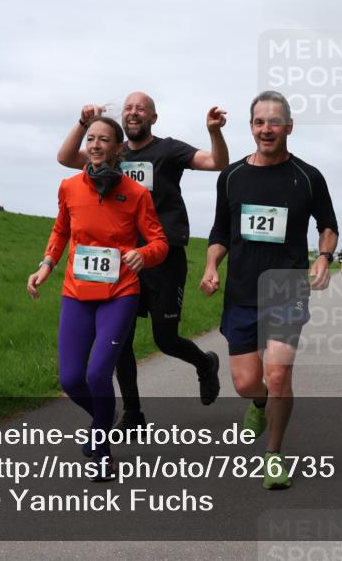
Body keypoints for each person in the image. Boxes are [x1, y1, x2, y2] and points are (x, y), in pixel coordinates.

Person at [57, 92, 227, 430]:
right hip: (120, 260)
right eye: (129, 108)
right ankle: (133, 414)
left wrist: (214, 131)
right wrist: (83, 122)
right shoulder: (112, 153)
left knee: (165, 339)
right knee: (121, 343)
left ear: (153, 117)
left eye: (142, 109)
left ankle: (205, 364)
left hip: (162, 256)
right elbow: (66, 159)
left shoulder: (168, 149)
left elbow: (216, 162)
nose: (134, 112)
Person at [200, 90, 338, 490]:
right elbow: (220, 232)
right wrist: (211, 266)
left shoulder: (308, 177)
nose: (266, 129)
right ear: (251, 127)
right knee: (247, 383)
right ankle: (258, 404)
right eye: (259, 122)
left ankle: (274, 456)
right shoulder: (232, 177)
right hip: (242, 292)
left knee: (277, 377)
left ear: (289, 127)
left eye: (274, 122)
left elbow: (328, 225)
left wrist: (324, 257)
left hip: (287, 289)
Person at [27, 117, 168, 479]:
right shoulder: (70, 187)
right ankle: (105, 416)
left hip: (120, 294)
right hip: (76, 294)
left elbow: (159, 243)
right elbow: (60, 231)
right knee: (72, 380)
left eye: (104, 139)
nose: (95, 144)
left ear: (118, 148)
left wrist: (145, 255)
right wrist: (46, 265)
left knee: (97, 374)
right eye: (91, 138)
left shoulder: (136, 194)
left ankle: (102, 446)